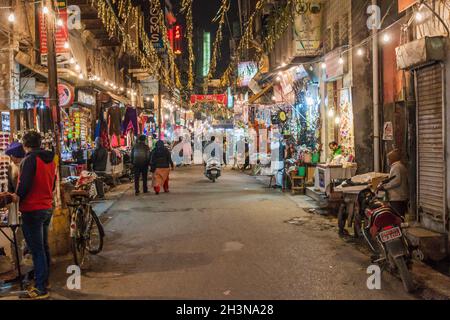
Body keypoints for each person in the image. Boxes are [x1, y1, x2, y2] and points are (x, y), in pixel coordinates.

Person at [11, 131, 56, 300]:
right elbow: (52, 184)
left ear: (25, 145)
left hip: (32, 209)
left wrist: (17, 196)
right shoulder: (50, 159)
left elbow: (25, 183)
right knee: (43, 247)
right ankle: (45, 281)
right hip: (46, 207)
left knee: (37, 250)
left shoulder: (30, 159)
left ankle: (40, 288)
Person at [381, 149, 409, 217]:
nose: (387, 161)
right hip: (400, 196)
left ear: (392, 159)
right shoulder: (399, 166)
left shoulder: (396, 167)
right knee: (399, 216)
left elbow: (396, 181)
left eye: (388, 159)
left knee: (397, 216)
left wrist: (384, 186)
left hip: (397, 197)